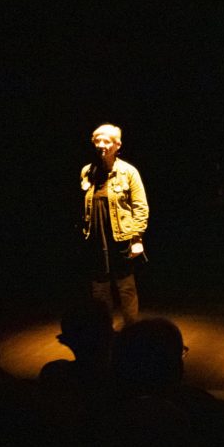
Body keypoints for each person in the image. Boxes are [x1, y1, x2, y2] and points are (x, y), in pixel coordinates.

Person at [80, 124, 148, 328]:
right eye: (97, 140)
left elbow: (140, 205)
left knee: (125, 286)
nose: (101, 144)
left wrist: (137, 238)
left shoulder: (128, 172)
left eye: (106, 141)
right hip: (95, 238)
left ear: (117, 145)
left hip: (121, 238)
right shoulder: (87, 171)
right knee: (99, 288)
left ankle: (131, 329)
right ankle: (104, 329)